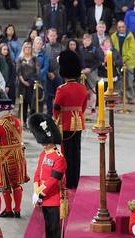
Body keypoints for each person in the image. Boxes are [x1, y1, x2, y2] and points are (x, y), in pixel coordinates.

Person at [29, 113, 66, 238]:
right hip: (43, 197)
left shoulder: (59, 158)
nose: (43, 145)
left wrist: (40, 192)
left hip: (53, 198)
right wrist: (35, 190)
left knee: (54, 230)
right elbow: (38, 173)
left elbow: (53, 180)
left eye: (45, 142)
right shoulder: (43, 154)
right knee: (47, 230)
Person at [0, 99, 29, 217]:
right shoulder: (18, 121)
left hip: (5, 159)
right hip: (18, 157)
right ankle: (18, 209)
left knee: (5, 186)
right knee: (17, 185)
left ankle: (9, 210)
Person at [53, 50, 87, 190]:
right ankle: (76, 180)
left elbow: (56, 108)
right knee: (76, 152)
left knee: (66, 153)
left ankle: (69, 181)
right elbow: (83, 107)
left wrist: (57, 120)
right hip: (78, 123)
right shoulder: (82, 88)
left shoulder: (62, 89)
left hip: (65, 124)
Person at [111, 20, 135, 105]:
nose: (121, 28)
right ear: (117, 28)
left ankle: (130, 98)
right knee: (119, 82)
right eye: (119, 27)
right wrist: (118, 59)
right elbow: (112, 49)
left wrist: (124, 58)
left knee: (129, 81)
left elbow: (132, 49)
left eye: (123, 27)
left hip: (128, 62)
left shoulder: (130, 36)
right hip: (118, 62)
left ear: (125, 27)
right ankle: (119, 98)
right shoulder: (113, 37)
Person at [16, 41, 40, 120]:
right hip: (22, 84)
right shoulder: (20, 59)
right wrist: (23, 81)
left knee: (32, 103)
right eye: (26, 47)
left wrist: (31, 81)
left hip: (32, 84)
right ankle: (23, 121)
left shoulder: (35, 58)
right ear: (23, 48)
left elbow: (37, 71)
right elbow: (18, 72)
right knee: (23, 103)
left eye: (29, 47)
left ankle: (33, 121)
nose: (27, 49)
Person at [45, 29, 64, 113]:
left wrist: (55, 73)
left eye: (54, 35)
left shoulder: (61, 48)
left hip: (58, 75)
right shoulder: (44, 48)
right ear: (48, 36)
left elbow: (63, 62)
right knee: (48, 96)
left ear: (56, 36)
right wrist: (48, 72)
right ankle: (49, 113)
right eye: (50, 35)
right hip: (47, 75)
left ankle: (58, 113)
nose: (52, 37)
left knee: (59, 95)